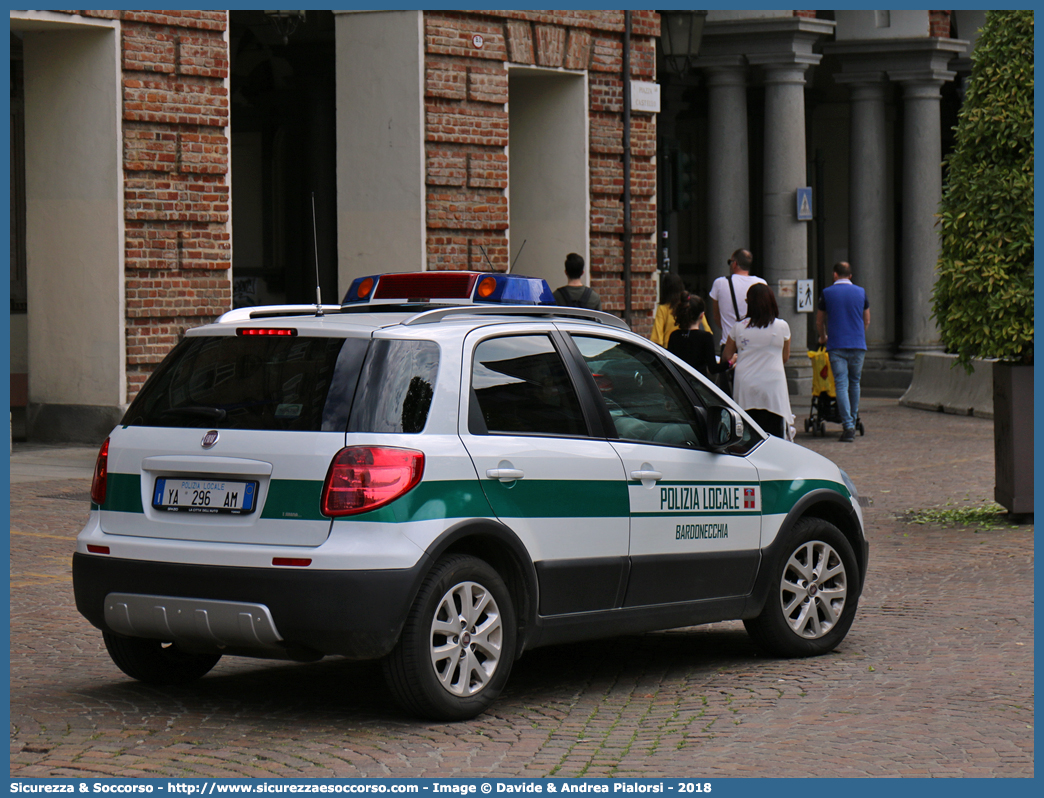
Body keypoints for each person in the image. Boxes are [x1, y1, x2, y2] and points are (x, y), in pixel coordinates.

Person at [721, 283, 791, 439]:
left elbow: (726, 355)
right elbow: (785, 357)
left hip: (746, 383)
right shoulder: (782, 327)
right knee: (774, 432)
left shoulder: (738, 327)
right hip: (773, 384)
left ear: (749, 303)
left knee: (748, 431)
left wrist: (736, 359)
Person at [816, 261, 870, 443]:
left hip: (836, 344)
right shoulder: (861, 292)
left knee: (841, 384)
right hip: (857, 344)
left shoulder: (827, 293)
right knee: (855, 383)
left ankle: (848, 427)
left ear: (835, 275)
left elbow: (819, 320)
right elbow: (867, 319)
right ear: (851, 275)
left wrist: (823, 336)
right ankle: (853, 421)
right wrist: (859, 334)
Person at [667, 293, 732, 380]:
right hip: (698, 384)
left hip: (679, 383)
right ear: (702, 315)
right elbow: (713, 368)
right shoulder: (705, 337)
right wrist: (730, 363)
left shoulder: (674, 335)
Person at [710, 249, 766, 348]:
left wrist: (729, 328)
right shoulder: (761, 283)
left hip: (728, 344)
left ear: (735, 263)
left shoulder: (720, 283)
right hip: (754, 343)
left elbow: (716, 315)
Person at [650, 274, 686, 347]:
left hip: (670, 351)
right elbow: (707, 330)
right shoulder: (691, 305)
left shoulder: (663, 309)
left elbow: (657, 339)